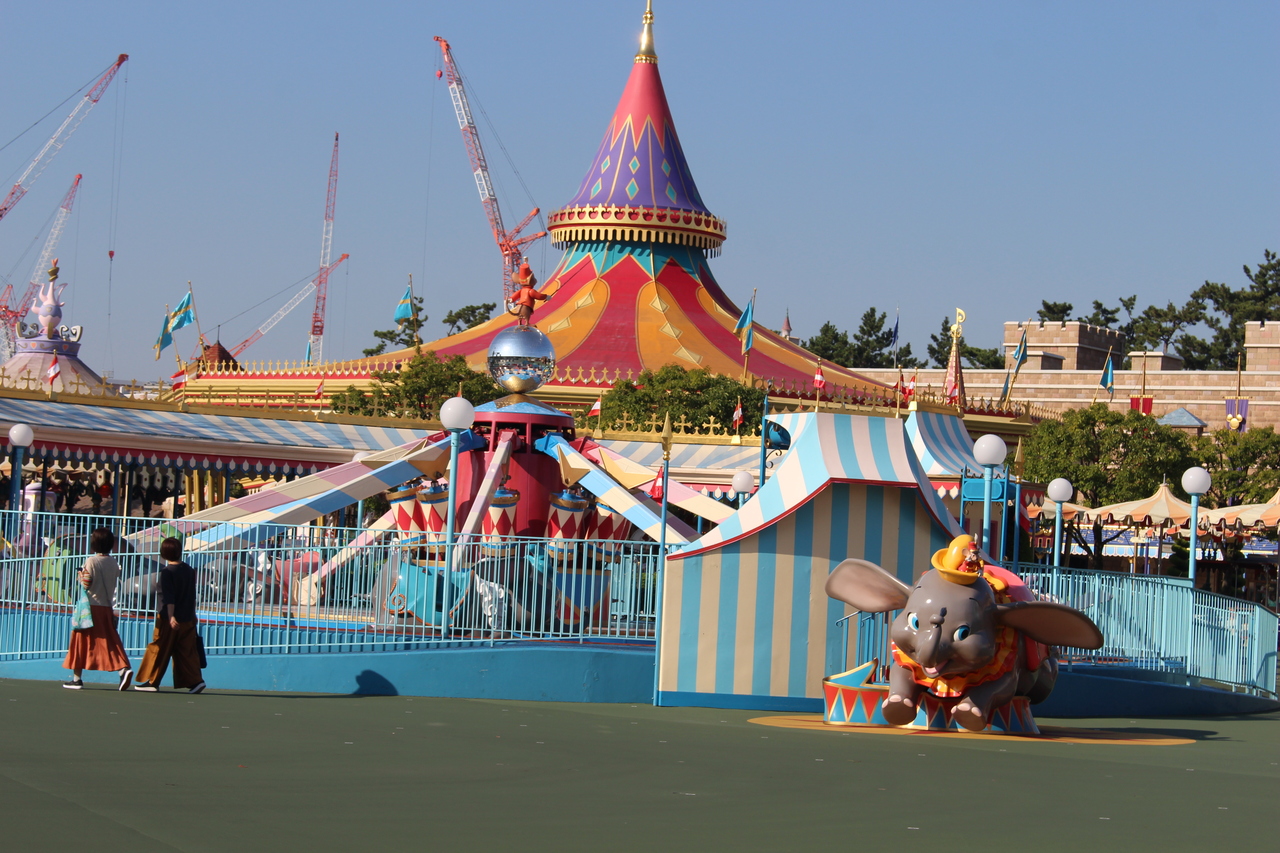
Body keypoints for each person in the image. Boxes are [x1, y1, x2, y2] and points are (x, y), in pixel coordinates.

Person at [62, 527, 133, 690]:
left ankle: (77, 679)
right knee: (110, 640)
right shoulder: (113, 562)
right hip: (106, 606)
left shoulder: (91, 561)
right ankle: (122, 669)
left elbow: (87, 583)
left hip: (90, 607)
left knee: (80, 640)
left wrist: (81, 575)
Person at [134, 536, 205, 693]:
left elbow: (169, 597)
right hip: (187, 616)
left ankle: (152, 681)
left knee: (159, 648)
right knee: (186, 651)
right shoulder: (188, 570)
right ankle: (196, 681)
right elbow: (192, 594)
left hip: (168, 618)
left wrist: (171, 616)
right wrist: (193, 614)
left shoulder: (167, 572)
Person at [510, 259, 549, 326]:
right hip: (526, 306)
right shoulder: (530, 291)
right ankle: (527, 323)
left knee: (519, 315)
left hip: (519, 306)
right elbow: (538, 296)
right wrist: (546, 297)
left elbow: (516, 295)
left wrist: (511, 298)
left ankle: (519, 323)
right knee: (526, 314)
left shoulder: (522, 291)